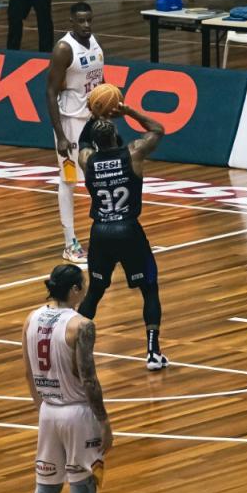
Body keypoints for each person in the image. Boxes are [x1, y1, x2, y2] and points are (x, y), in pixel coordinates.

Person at [23, 264, 110, 493]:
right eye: (82, 285)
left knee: (45, 490)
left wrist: (44, 409)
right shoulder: (81, 325)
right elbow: (89, 379)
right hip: (78, 414)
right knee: (83, 491)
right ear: (74, 289)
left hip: (48, 411)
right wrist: (104, 422)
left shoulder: (31, 318)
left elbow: (28, 372)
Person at [77, 109, 168, 370]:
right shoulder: (133, 153)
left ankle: (71, 347)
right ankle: (152, 352)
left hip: (101, 232)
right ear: (117, 135)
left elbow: (83, 143)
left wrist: (94, 115)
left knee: (94, 292)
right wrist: (126, 110)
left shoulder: (88, 160)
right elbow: (158, 129)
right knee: (149, 288)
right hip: (128, 230)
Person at [46, 2, 103, 264]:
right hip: (70, 124)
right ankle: (69, 243)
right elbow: (50, 91)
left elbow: (99, 81)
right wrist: (59, 135)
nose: (87, 25)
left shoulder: (94, 43)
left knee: (98, 177)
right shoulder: (64, 49)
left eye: (89, 20)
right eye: (81, 21)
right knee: (69, 181)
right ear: (71, 21)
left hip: (93, 121)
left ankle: (102, 234)